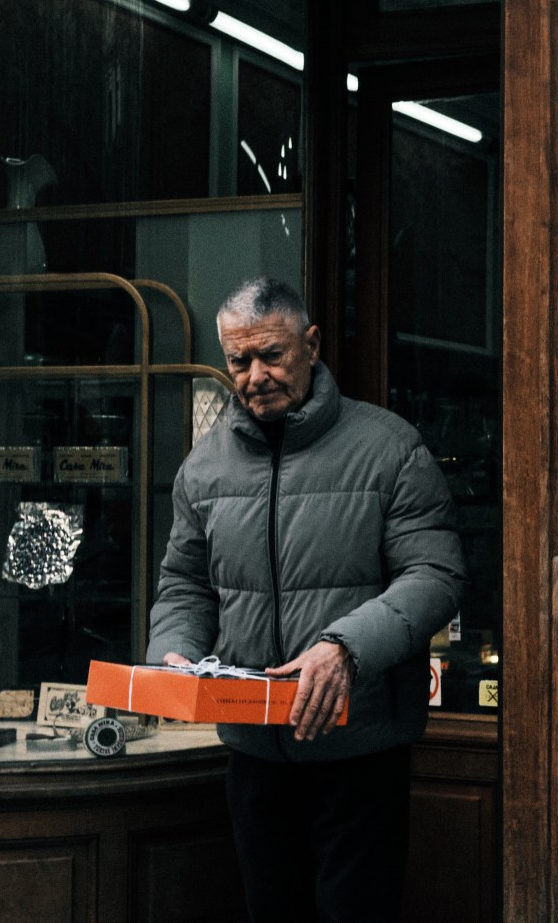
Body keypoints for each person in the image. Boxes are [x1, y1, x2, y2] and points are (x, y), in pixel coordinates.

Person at [147, 276, 468, 923]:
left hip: (361, 749)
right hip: (254, 752)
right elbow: (185, 583)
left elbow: (435, 575)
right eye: (240, 361)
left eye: (272, 355)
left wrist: (344, 648)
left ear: (312, 344)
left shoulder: (389, 448)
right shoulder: (203, 467)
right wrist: (174, 654)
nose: (256, 375)